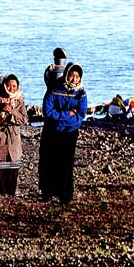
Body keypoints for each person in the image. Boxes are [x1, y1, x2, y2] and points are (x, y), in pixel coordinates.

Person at [40, 62, 87, 204]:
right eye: (71, 76)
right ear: (66, 75)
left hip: (70, 132)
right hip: (52, 131)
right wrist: (68, 115)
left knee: (66, 164)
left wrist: (67, 118)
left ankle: (65, 195)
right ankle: (47, 192)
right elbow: (47, 112)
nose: (74, 79)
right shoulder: (54, 89)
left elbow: (82, 113)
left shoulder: (81, 93)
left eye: (77, 77)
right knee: (49, 161)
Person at [0, 74, 29, 196]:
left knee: (11, 173)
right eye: (9, 85)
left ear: (18, 87)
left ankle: (10, 196)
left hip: (13, 143)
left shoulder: (19, 100)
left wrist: (12, 112)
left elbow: (24, 119)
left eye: (14, 86)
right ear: (4, 86)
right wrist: (1, 113)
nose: (11, 88)